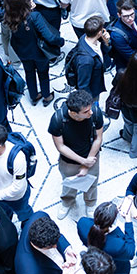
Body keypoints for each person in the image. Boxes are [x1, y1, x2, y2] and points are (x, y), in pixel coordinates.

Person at [49, 89, 105, 219]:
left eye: (90, 108)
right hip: (68, 161)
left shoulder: (95, 113)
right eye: (86, 112)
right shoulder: (58, 119)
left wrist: (87, 163)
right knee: (69, 183)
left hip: (92, 155)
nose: (90, 112)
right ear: (74, 113)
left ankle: (90, 203)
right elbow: (60, 146)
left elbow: (98, 139)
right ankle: (67, 201)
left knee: (92, 183)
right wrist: (82, 161)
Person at [4, 0, 64, 105]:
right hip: (39, 53)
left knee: (29, 73)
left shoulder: (8, 18)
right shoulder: (34, 16)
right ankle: (47, 96)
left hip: (22, 52)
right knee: (43, 74)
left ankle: (34, 96)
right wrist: (60, 42)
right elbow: (50, 37)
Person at [77, 202, 135, 274]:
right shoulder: (117, 245)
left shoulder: (82, 223)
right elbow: (130, 252)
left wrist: (111, 212)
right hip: (114, 270)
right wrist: (128, 221)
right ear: (112, 223)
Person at [15, 211, 79, 274]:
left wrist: (67, 249)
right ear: (38, 245)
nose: (55, 246)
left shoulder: (41, 216)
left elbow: (55, 234)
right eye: (51, 246)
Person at [76, 16, 111, 103]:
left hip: (96, 78)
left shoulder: (87, 37)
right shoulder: (86, 61)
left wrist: (106, 41)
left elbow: (106, 51)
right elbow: (83, 86)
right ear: (99, 33)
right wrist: (88, 102)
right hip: (92, 92)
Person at [109, 0, 137, 69]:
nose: (130, 18)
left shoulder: (136, 14)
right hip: (127, 65)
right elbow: (129, 54)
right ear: (119, 15)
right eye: (126, 16)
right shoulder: (117, 35)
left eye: (132, 14)